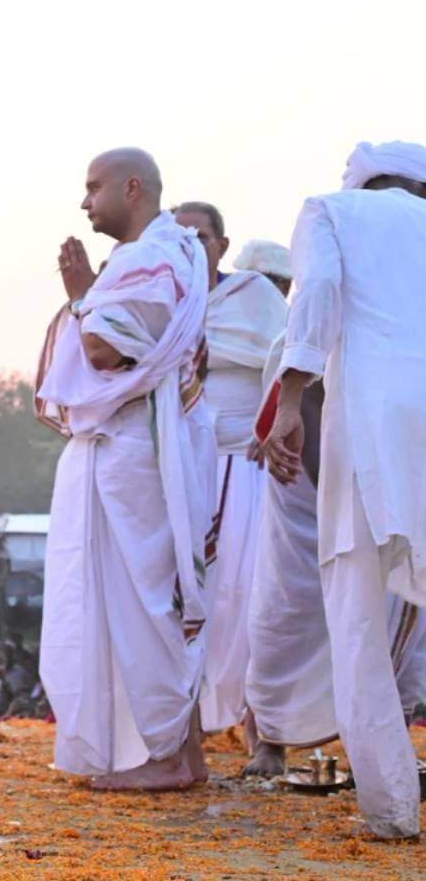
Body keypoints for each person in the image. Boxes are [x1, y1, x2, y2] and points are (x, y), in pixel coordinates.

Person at [36, 147, 216, 791]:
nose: (84, 204)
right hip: (146, 442)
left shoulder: (151, 258)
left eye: (92, 188)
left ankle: (170, 755)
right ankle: (181, 753)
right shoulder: (176, 253)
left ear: (131, 188)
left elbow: (107, 349)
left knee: (142, 601)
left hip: (136, 449)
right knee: (153, 598)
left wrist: (84, 297)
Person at [262, 140, 426, 838]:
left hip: (372, 415)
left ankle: (393, 812)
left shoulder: (330, 210)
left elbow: (319, 294)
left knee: (356, 604)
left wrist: (291, 397)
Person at [244, 334, 426, 776]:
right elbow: (287, 400)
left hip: (381, 484)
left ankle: (389, 738)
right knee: (287, 610)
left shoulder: (402, 326)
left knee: (389, 602)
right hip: (303, 501)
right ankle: (271, 740)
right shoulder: (298, 338)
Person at [172, 200, 287, 736]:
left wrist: (274, 430)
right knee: (181, 599)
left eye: (200, 236)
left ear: (221, 244)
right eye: (177, 237)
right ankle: (182, 723)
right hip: (177, 471)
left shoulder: (255, 296)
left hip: (247, 466)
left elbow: (288, 365)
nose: (190, 246)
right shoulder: (160, 299)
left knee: (250, 594)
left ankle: (259, 726)